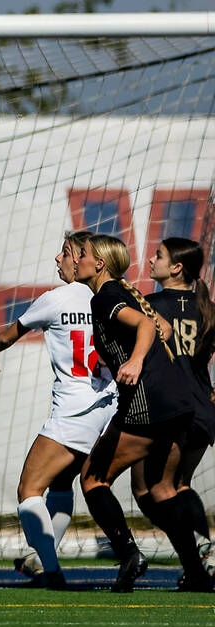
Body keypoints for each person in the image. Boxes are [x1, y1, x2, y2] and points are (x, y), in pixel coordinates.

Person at [0, 231, 116, 589]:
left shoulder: (56, 300)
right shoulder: (114, 299)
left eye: (67, 252)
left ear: (85, 258)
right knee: (61, 482)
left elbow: (11, 333)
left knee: (28, 489)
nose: (59, 259)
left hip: (74, 410)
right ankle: (43, 557)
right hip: (109, 408)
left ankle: (49, 570)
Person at [74, 234, 200, 592]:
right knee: (158, 490)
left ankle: (129, 553)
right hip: (178, 401)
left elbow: (147, 326)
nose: (78, 259)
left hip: (151, 405)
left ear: (99, 264)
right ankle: (197, 571)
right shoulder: (128, 293)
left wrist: (134, 358)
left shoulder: (108, 297)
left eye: (82, 254)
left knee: (92, 478)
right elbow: (164, 325)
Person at [135, 237, 215, 589]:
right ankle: (202, 554)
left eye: (160, 256)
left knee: (153, 489)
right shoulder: (205, 307)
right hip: (202, 407)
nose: (152, 259)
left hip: (168, 409)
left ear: (177, 267)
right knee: (178, 485)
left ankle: (197, 556)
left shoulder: (149, 306)